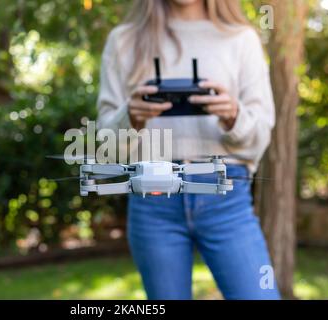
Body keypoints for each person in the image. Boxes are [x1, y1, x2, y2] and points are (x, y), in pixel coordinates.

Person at [96, 0, 280, 300]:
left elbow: (260, 136)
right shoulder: (123, 40)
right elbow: (107, 147)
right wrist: (131, 117)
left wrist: (233, 115)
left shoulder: (241, 38)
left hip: (226, 197)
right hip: (152, 197)